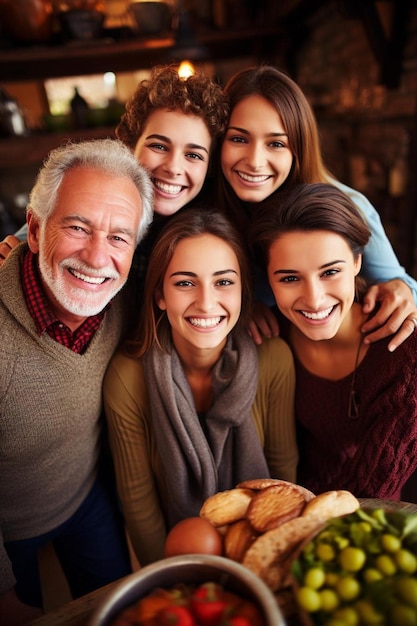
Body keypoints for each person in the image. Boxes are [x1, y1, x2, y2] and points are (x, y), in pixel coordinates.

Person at [0, 138, 153, 625]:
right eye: (77, 226)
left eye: (119, 237)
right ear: (34, 228)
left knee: (119, 610)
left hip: (85, 500)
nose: (96, 256)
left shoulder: (126, 303)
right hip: (8, 528)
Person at [103, 207, 298, 567]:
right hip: (174, 561)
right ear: (160, 294)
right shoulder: (127, 378)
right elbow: (139, 503)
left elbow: (282, 476)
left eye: (224, 282)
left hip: (259, 552)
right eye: (184, 282)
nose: (206, 302)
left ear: (243, 291)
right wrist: (168, 581)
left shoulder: (274, 359)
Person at [218, 64, 417, 351]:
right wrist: (241, 305)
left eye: (276, 143)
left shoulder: (349, 207)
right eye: (238, 139)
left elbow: (398, 283)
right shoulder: (206, 216)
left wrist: (402, 289)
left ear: (298, 147)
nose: (255, 161)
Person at [252, 182, 417, 500]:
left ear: (357, 263)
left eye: (329, 272)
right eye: (289, 278)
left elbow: (371, 495)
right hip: (284, 506)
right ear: (268, 279)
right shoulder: (272, 340)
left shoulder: (405, 357)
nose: (314, 299)